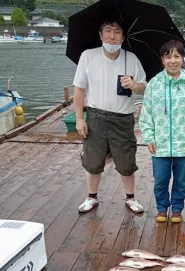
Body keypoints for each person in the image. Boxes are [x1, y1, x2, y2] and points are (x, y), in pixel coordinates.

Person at [73, 19, 147, 213]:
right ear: (100, 34)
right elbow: (79, 89)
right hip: (95, 117)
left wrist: (134, 85)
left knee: (127, 161)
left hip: (123, 118)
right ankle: (92, 197)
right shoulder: (88, 56)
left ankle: (130, 198)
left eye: (116, 31)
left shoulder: (131, 58)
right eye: (107, 30)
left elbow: (144, 87)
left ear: (123, 36)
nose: (112, 36)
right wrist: (80, 118)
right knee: (92, 160)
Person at [139, 39, 185, 223]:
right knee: (160, 179)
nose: (173, 61)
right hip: (159, 144)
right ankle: (162, 208)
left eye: (177, 56)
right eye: (168, 57)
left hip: (184, 144)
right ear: (162, 60)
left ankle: (177, 208)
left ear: (183, 59)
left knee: (181, 180)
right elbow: (146, 113)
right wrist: (149, 137)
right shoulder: (154, 83)